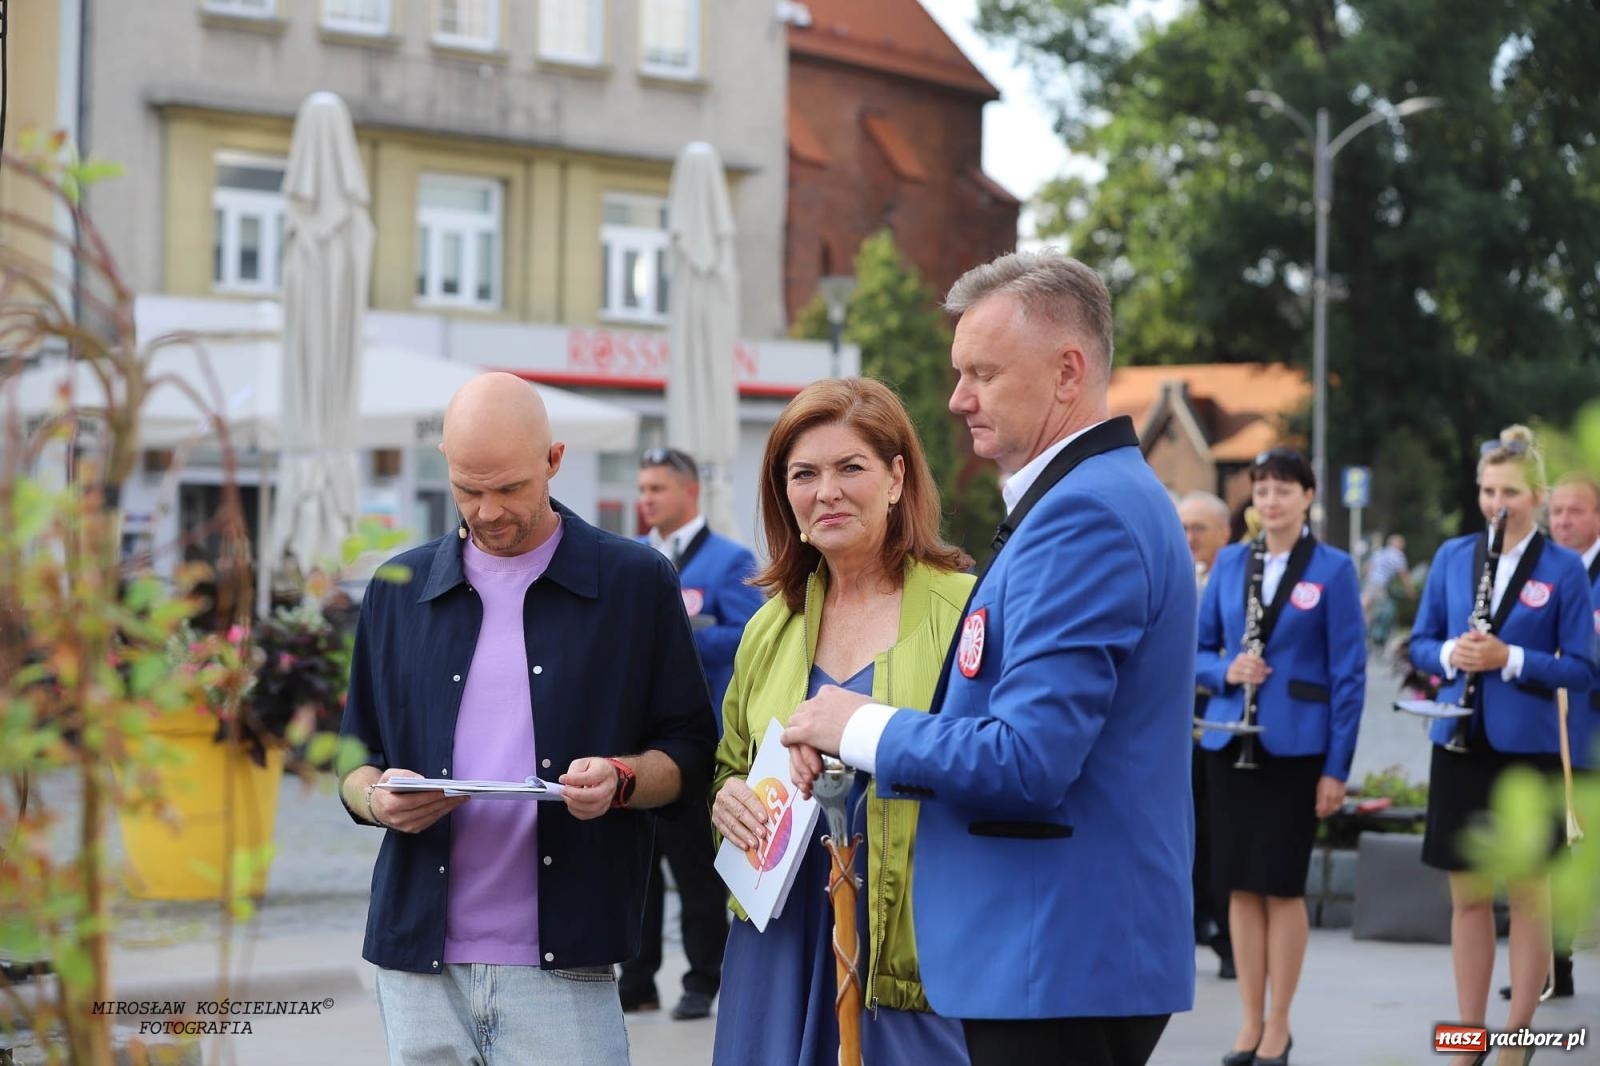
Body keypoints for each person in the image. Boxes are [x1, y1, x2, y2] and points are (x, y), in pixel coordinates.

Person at [782, 251, 1196, 1066]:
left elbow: (1028, 758)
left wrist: (856, 723)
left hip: (1054, 958)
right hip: (1053, 955)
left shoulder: (1086, 517)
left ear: (1067, 372)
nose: (957, 397)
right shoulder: (1086, 500)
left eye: (982, 373)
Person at [336, 373, 718, 1065]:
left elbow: (691, 753)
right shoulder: (397, 590)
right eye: (466, 488)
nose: (486, 512)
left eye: (509, 488)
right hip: (415, 960)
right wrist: (374, 797)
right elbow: (351, 756)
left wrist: (624, 779)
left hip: (566, 960)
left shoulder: (635, 582)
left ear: (555, 459)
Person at [708, 377, 975, 1066]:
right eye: (804, 474)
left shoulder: (967, 610)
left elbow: (998, 760)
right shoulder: (769, 625)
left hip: (913, 946)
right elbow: (731, 764)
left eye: (849, 467)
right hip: (777, 938)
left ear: (896, 479)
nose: (826, 491)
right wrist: (727, 801)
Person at [1408, 425, 1593, 1066]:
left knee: (1530, 896)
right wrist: (1447, 653)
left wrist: (1510, 656)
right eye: (1487, 490)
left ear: (1536, 496)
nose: (1496, 503)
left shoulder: (1565, 570)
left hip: (1528, 750)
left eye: (1509, 492)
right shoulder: (1453, 556)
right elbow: (1418, 642)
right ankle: (1468, 1038)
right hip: (1459, 741)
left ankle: (1517, 1039)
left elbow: (1584, 669)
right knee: (1468, 898)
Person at [1195, 447, 1366, 1066]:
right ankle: (1247, 1021)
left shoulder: (1334, 569)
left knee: (1281, 886)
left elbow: (1350, 676)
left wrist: (1337, 769)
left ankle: (1280, 1023)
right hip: (1230, 741)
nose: (1271, 500)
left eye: (1283, 489)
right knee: (1238, 885)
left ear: (1308, 496)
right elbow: (1196, 652)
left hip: (1298, 748)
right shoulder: (1232, 562)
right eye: (1262, 489)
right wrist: (1225, 668)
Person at [621, 446, 763, 1020]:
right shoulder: (634, 560)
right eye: (643, 488)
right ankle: (639, 976)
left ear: (688, 493)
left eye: (657, 488)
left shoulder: (729, 560)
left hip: (698, 739)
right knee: (639, 866)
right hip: (638, 739)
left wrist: (679, 641)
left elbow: (752, 632)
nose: (647, 499)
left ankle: (704, 977)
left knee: (698, 868)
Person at [1496, 471, 1600, 1003]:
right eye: (1557, 511)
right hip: (1550, 735)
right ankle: (1552, 970)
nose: (1563, 522)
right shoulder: (1530, 568)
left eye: (1575, 511)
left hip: (1593, 730)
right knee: (1550, 856)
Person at [1178, 489, 1237, 981]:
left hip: (1220, 721)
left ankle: (1226, 936)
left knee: (1220, 830)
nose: (1189, 538)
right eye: (1184, 528)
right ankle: (1190, 925)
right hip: (1175, 726)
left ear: (1226, 533)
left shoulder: (1240, 582)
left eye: (1200, 528)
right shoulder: (1173, 576)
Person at [1362, 533, 1416, 643]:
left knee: (1367, 609)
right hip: (1381, 585)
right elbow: (1404, 575)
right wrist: (1411, 591)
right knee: (1385, 611)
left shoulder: (1380, 552)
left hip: (1370, 582)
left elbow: (1367, 568)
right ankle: (1376, 638)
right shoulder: (1397, 555)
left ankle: (1362, 635)